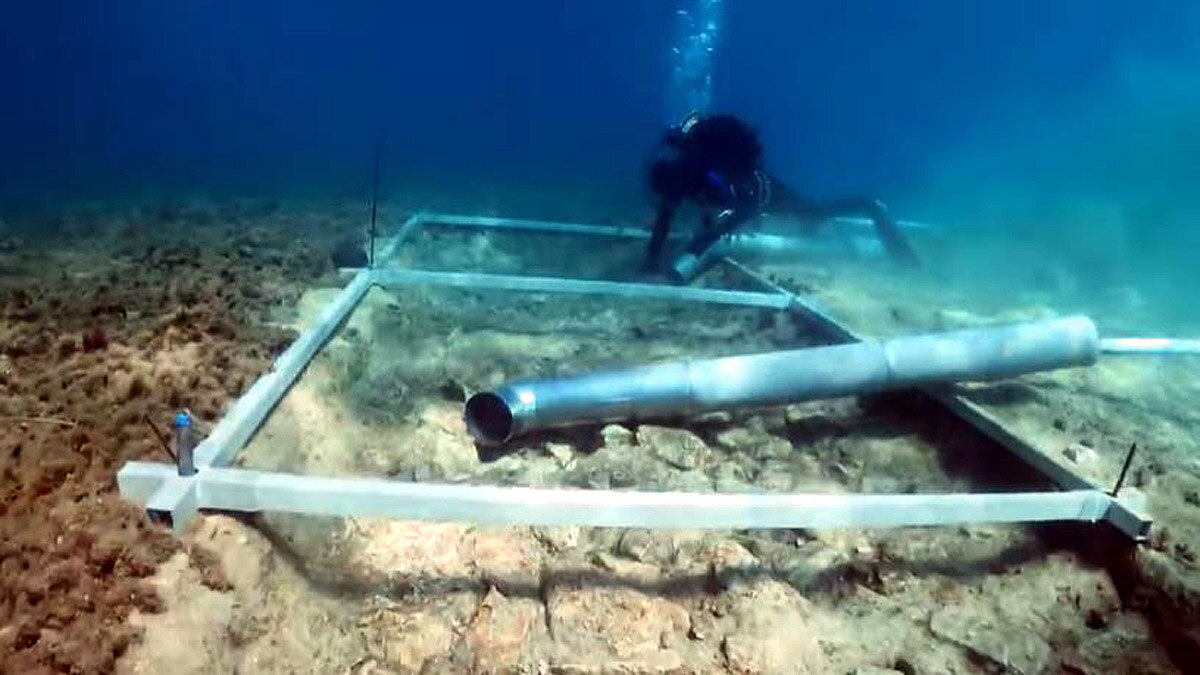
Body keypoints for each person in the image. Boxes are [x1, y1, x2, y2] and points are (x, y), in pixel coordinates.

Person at [642, 111, 922, 283]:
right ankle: (837, 222)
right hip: (745, 191)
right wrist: (652, 260)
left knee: (812, 214)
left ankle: (871, 208)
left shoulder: (705, 171)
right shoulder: (685, 174)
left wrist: (712, 234)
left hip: (763, 192)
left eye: (672, 196)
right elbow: (668, 214)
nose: (671, 202)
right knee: (806, 219)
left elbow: (749, 206)